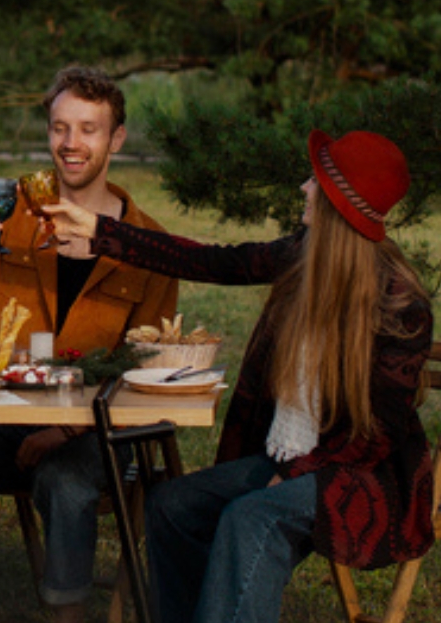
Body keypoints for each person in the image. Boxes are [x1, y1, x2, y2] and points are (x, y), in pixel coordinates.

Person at [46, 128, 435, 623]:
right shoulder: (304, 255)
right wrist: (99, 229)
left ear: (339, 203)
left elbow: (378, 436)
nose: (304, 188)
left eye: (315, 181)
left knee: (250, 518)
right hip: (296, 454)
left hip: (360, 474)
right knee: (170, 505)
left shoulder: (400, 306)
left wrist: (289, 475)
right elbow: (209, 260)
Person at [0, 65, 178, 623]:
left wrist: (64, 430)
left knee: (65, 479)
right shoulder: (15, 217)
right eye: (59, 128)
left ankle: (65, 615)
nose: (71, 144)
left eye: (88, 129)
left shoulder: (148, 244)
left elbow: (149, 366)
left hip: (98, 432)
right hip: (6, 419)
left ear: (116, 139)